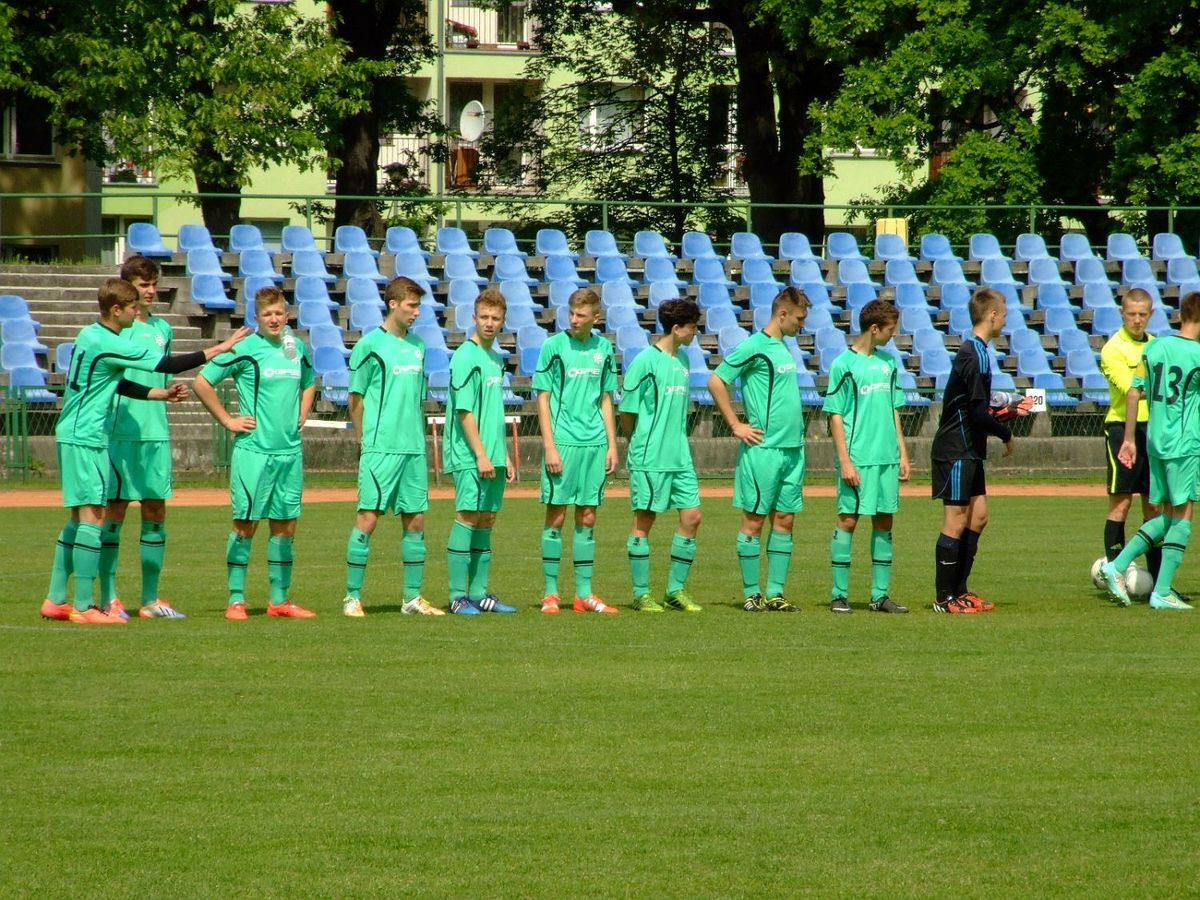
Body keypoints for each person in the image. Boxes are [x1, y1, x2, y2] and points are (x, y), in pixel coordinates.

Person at [41, 278, 247, 624]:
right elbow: (168, 365)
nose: (138, 312)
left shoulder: (89, 336)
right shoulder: (109, 341)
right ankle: (83, 607)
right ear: (116, 309)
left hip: (76, 433)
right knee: (94, 515)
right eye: (133, 307)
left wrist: (159, 395)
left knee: (79, 518)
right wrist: (221, 348)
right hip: (85, 436)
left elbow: (116, 382)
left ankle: (55, 599)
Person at [192, 286, 317, 620]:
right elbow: (202, 382)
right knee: (245, 524)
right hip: (254, 452)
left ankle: (280, 600)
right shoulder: (246, 349)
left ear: (286, 315)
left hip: (289, 453)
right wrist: (228, 420)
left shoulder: (296, 347)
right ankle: (236, 600)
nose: (274, 319)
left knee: (285, 527)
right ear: (257, 318)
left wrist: (303, 411)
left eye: (278, 313)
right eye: (267, 314)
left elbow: (309, 380)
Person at [342, 277, 442, 617]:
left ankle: (412, 598)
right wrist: (364, 441)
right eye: (411, 306)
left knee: (416, 521)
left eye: (419, 306)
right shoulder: (370, 345)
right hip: (380, 447)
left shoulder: (419, 346)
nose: (416, 313)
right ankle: (352, 597)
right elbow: (355, 399)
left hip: (412, 448)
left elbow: (416, 400)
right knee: (368, 518)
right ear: (393, 304)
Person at [930, 287, 1032, 614]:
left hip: (970, 448)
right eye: (1003, 313)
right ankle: (944, 599)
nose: (1004, 319)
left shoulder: (982, 352)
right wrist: (1005, 433)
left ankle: (960, 590)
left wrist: (1009, 409)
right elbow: (974, 413)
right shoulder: (971, 354)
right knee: (956, 519)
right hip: (956, 447)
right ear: (991, 315)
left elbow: (978, 405)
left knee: (979, 516)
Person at [94, 256, 185, 620]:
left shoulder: (163, 329)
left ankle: (150, 599)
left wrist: (170, 391)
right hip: (120, 432)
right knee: (114, 512)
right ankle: (110, 597)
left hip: (156, 434)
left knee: (155, 511)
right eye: (141, 285)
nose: (149, 291)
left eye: (152, 284)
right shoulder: (118, 328)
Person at [708, 286, 807, 613]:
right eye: (798, 319)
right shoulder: (755, 346)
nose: (801, 326)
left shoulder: (782, 347)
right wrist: (736, 425)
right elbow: (717, 380)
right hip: (763, 450)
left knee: (785, 519)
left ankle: (775, 594)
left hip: (793, 450)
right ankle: (752, 593)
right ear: (782, 314)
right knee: (753, 520)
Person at [1102, 290, 1200, 610]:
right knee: (1182, 515)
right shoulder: (1196, 355)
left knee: (1164, 514)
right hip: (1184, 443)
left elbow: (1133, 393)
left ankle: (1116, 567)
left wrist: (1130, 438)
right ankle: (1162, 591)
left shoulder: (1155, 346)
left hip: (1154, 441)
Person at [533, 287, 620, 614]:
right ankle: (551, 593)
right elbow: (542, 398)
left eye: (581, 315)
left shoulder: (604, 348)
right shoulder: (553, 347)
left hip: (594, 444)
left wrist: (612, 445)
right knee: (556, 515)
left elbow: (606, 398)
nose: (574, 319)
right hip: (563, 443)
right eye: (571, 313)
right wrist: (550, 446)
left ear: (595, 317)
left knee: (588, 515)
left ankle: (584, 594)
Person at [823, 299, 911, 613]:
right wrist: (845, 460)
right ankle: (838, 595)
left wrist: (902, 453)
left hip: (886, 457)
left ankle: (879, 596)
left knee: (885, 521)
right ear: (874, 329)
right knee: (848, 519)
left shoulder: (888, 363)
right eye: (889, 330)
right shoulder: (843, 365)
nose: (892, 336)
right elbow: (834, 415)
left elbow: (894, 410)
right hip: (859, 457)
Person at [620, 298, 703, 612]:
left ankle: (674, 591)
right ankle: (642, 594)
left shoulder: (682, 361)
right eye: (693, 327)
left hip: (679, 456)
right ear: (677, 328)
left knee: (692, 517)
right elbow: (626, 411)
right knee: (645, 520)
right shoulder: (645, 361)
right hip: (650, 456)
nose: (695, 333)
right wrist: (638, 442)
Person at [443, 287, 517, 615]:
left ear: (502, 322)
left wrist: (503, 455)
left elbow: (492, 412)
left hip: (493, 455)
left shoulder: (496, 359)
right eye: (484, 317)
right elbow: (464, 411)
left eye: (495, 318)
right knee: (468, 516)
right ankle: (458, 597)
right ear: (473, 318)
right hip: (470, 454)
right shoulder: (465, 356)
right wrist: (481, 454)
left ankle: (480, 593)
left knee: (487, 519)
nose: (489, 323)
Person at [1098, 288, 1164, 587]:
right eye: (1131, 314)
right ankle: (1116, 573)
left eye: (1142, 314)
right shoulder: (1113, 349)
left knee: (1154, 507)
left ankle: (1161, 581)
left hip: (1156, 430)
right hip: (1122, 430)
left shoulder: (1157, 347)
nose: (1137, 320)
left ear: (1150, 315)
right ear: (1122, 314)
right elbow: (1132, 389)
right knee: (1121, 504)